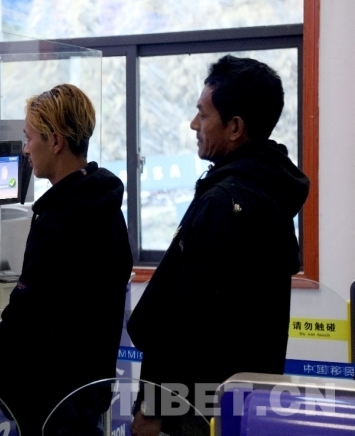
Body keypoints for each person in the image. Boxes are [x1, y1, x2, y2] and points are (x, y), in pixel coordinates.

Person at [127, 55, 310, 436]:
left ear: (235, 127)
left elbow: (189, 324)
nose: (194, 124)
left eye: (203, 114)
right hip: (245, 403)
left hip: (196, 411)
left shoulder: (223, 204)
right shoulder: (268, 191)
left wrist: (156, 409)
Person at [0, 83, 133, 435]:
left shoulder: (60, 219)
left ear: (56, 141)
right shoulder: (107, 207)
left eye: (29, 138)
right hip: (88, 390)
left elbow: (28, 311)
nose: (25, 149)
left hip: (51, 399)